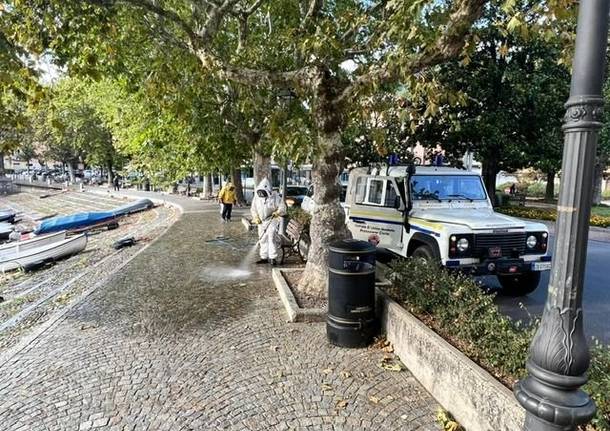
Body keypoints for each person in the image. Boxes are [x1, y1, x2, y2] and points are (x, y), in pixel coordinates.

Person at [250, 178, 286, 265]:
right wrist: (256, 217)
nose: (262, 195)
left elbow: (282, 207)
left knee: (271, 237)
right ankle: (264, 257)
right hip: (261, 221)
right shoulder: (257, 198)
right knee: (262, 239)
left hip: (272, 220)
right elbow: (253, 209)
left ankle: (273, 258)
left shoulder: (275, 197)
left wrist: (277, 212)